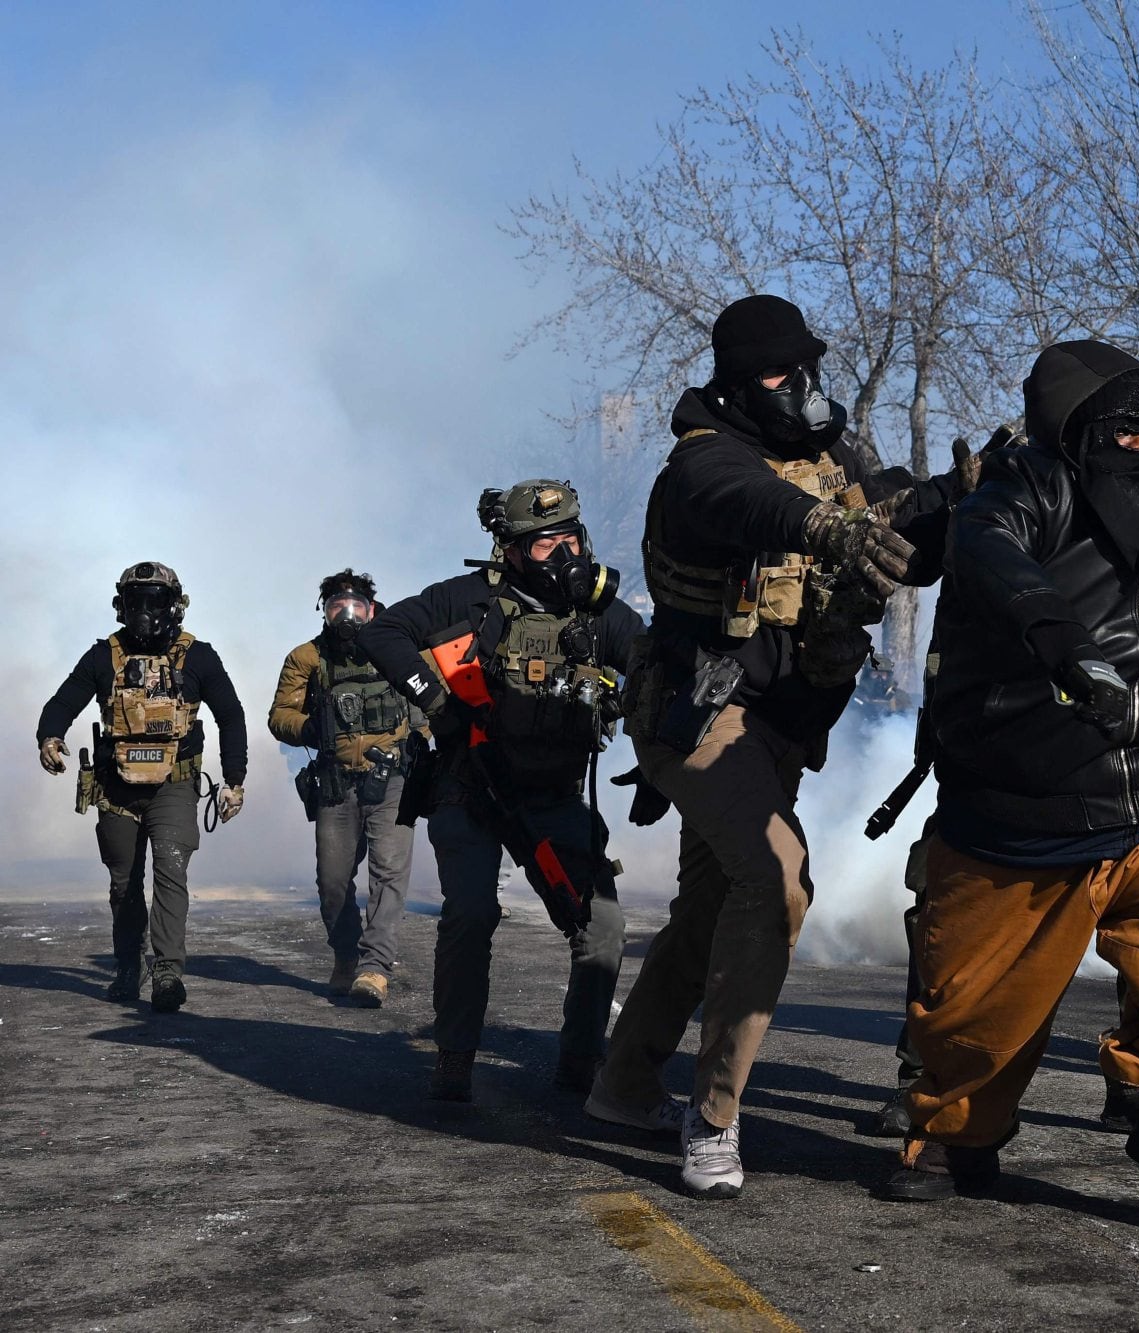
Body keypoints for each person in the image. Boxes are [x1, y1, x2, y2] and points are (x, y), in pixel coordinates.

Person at [883, 340, 1139, 1205]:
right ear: (1068, 431)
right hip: (1019, 805)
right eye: (1115, 426)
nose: (1136, 444)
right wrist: (1056, 635)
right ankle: (957, 1131)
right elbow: (988, 543)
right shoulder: (1022, 487)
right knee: (974, 1008)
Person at [586, 295, 958, 1200]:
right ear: (736, 380)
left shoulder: (835, 456)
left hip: (781, 724)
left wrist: (967, 496)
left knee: (712, 906)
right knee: (774, 877)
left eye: (806, 369)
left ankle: (624, 1082)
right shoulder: (702, 461)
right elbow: (745, 500)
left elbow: (902, 529)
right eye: (776, 374)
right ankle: (714, 1122)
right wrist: (829, 526)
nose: (799, 388)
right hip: (699, 712)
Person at [359, 480, 642, 1102]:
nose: (563, 555)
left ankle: (581, 1063)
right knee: (472, 914)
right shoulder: (466, 599)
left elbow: (651, 670)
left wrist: (657, 758)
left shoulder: (598, 613)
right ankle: (456, 1058)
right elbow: (381, 635)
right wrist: (438, 701)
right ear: (509, 549)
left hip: (555, 794)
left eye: (571, 538)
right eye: (544, 545)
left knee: (602, 926)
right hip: (472, 787)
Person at [36, 561, 248, 1012]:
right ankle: (128, 967)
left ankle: (167, 971)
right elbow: (63, 701)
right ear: (121, 606)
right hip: (116, 787)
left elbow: (232, 715)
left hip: (175, 784)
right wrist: (49, 737)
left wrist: (235, 780)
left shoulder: (199, 656)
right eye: (136, 602)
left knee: (171, 874)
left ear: (175, 607)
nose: (145, 612)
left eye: (155, 602)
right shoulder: (103, 656)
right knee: (124, 882)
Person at [268, 570, 424, 1005]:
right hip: (336, 781)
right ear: (325, 611)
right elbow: (279, 715)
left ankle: (375, 967)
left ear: (372, 609)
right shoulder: (308, 657)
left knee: (389, 875)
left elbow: (427, 701)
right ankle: (345, 954)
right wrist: (310, 727)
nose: (347, 614)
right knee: (332, 881)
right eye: (337, 606)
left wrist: (424, 746)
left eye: (355, 606)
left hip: (393, 779)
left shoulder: (398, 649)